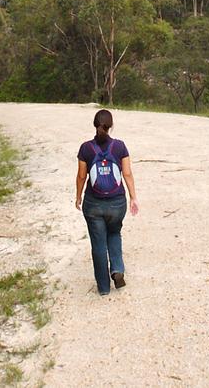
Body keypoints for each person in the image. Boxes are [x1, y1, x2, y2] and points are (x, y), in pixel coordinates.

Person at [75, 108, 139, 296]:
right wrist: (133, 197)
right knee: (114, 233)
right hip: (117, 202)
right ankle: (117, 269)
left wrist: (78, 196)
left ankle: (103, 287)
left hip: (93, 204)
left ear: (95, 125)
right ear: (111, 126)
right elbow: (126, 173)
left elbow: (81, 176)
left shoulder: (86, 148)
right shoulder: (119, 146)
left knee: (98, 244)